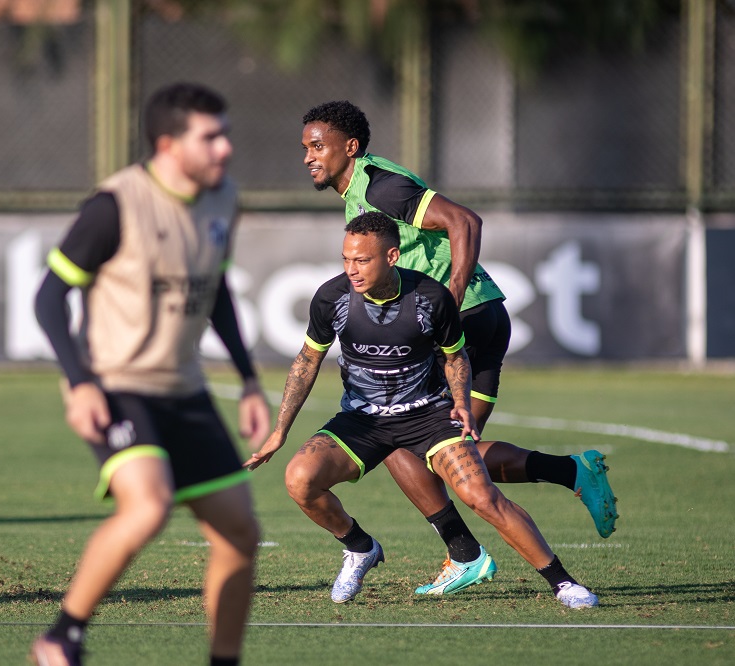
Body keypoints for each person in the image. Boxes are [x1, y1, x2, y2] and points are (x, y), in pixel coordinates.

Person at [298, 100, 617, 593]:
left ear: (351, 147)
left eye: (318, 146)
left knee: (396, 429)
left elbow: (464, 222)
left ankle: (464, 553)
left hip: (459, 321)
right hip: (485, 317)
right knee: (454, 450)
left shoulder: (380, 184)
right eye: (306, 148)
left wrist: (448, 299)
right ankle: (572, 470)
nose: (309, 157)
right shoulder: (359, 192)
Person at [245, 212, 598, 609]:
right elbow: (306, 362)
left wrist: (461, 404)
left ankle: (563, 583)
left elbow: (456, 358)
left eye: (362, 260)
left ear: (392, 256)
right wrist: (281, 430)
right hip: (362, 421)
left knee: (481, 496)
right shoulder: (332, 298)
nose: (351, 270)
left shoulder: (431, 298)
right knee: (299, 479)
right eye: (346, 259)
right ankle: (360, 548)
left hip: (427, 417)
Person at [32, 82, 271, 666]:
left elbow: (215, 296)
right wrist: (80, 381)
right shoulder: (115, 204)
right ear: (168, 144)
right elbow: (48, 297)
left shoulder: (224, 200)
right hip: (116, 387)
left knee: (240, 531)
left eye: (226, 135)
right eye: (210, 137)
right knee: (148, 506)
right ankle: (62, 638)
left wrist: (246, 380)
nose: (225, 149)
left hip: (184, 391)